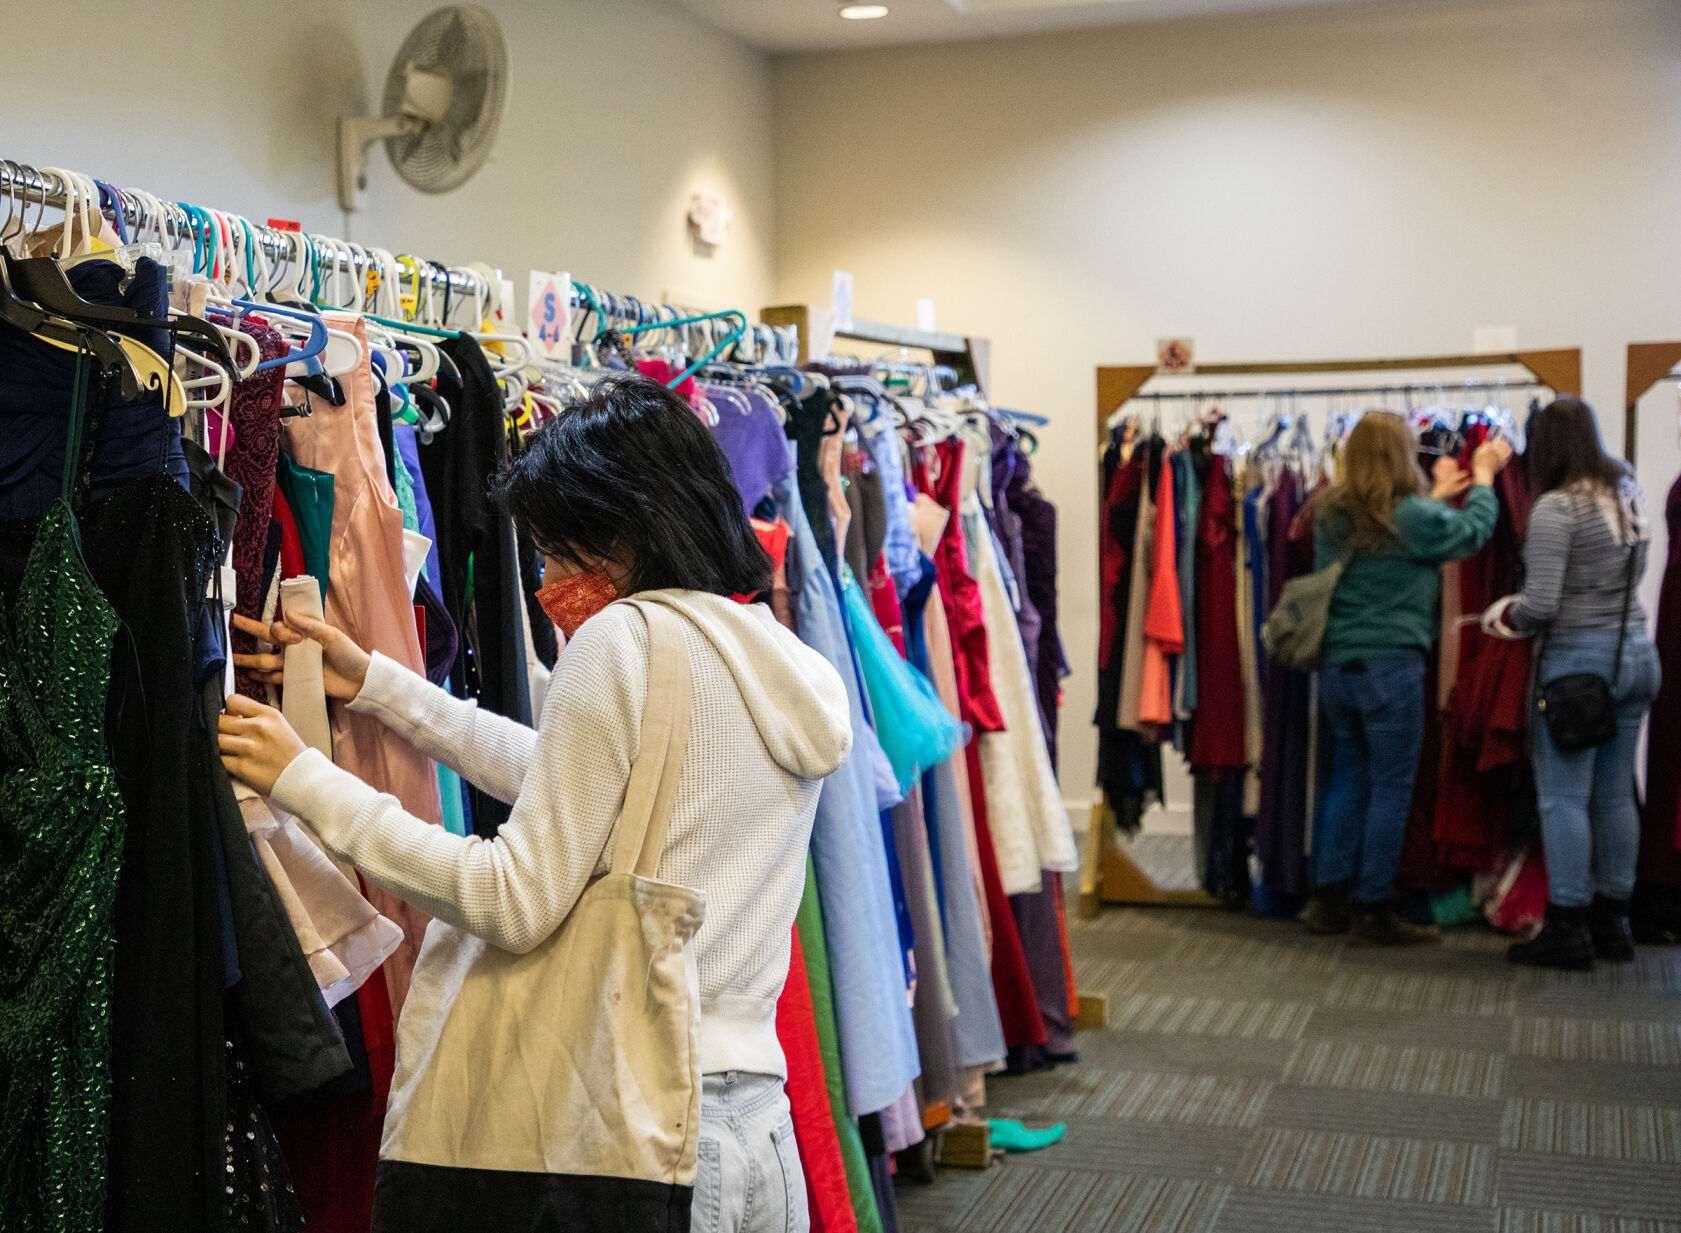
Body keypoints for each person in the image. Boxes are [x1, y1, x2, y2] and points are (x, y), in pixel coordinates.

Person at [218, 376, 852, 1233]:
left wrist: (305, 781)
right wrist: (383, 686)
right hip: (754, 1133)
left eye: (556, 550)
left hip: (635, 1130)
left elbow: (510, 899)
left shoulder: (624, 640)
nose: (547, 578)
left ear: (620, 532)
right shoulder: (779, 659)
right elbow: (587, 786)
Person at [1302, 411, 1512, 944]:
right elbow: (1472, 534)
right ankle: (1373, 908)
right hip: (1390, 668)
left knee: (1348, 777)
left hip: (1337, 667)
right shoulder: (1412, 516)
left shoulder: (1331, 510)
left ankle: (1328, 900)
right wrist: (1484, 479)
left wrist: (1435, 498)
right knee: (1391, 788)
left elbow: (1390, 537)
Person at [1489, 398, 1660, 970]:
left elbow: (1541, 604)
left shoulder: (1557, 508)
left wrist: (1503, 615)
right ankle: (1614, 920)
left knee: (1564, 795)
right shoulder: (1626, 489)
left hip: (1578, 667)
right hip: (1635, 651)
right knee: (1615, 793)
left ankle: (1566, 924)